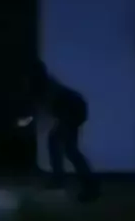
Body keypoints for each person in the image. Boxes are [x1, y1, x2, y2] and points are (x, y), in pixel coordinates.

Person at [17, 61, 99, 201]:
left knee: (63, 145)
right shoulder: (42, 85)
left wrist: (27, 119)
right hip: (74, 108)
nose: (24, 78)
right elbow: (39, 108)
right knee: (66, 147)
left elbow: (42, 106)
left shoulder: (44, 86)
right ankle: (75, 181)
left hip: (73, 109)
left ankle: (72, 181)